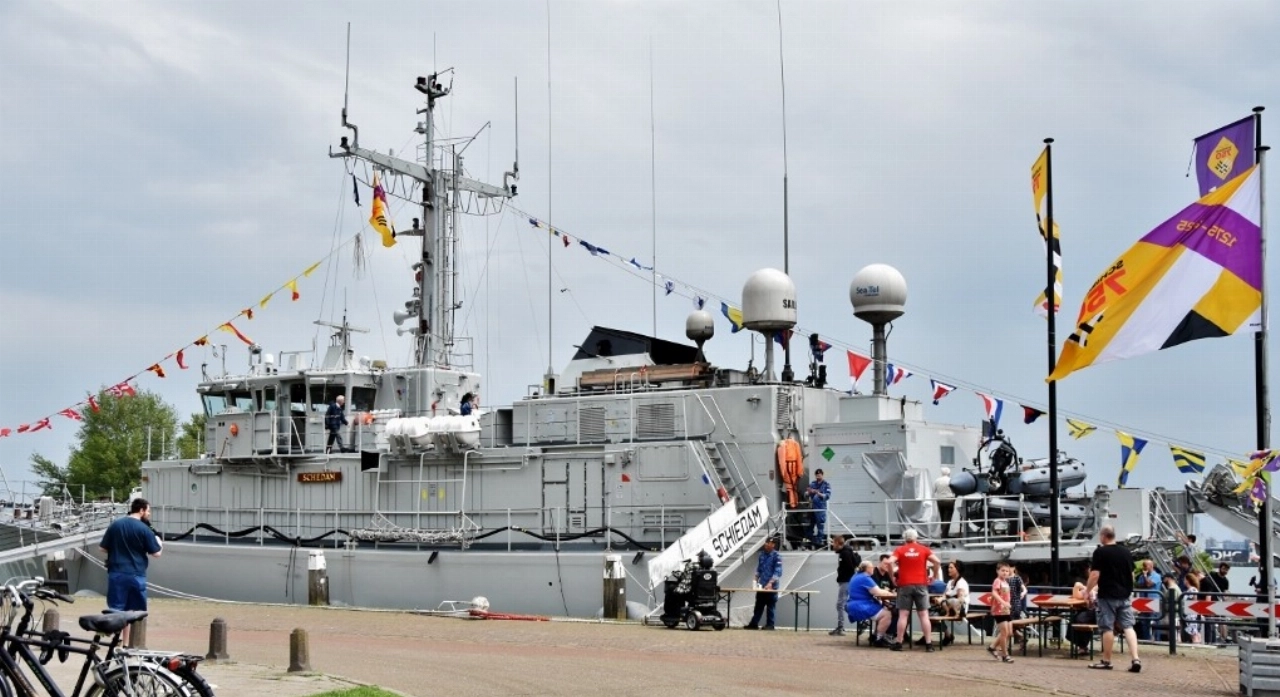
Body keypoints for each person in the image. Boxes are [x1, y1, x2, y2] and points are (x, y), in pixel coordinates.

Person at [99, 498, 162, 645]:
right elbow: (156, 553)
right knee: (135, 612)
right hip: (136, 574)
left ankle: (117, 642)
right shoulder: (144, 529)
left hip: (116, 573)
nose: (149, 514)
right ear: (141, 510)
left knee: (116, 610)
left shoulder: (115, 525)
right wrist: (159, 542)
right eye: (148, 511)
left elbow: (102, 548)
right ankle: (131, 644)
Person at [1086, 524, 1141, 673]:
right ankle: (1135, 658)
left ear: (1104, 536)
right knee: (1128, 626)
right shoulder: (1126, 552)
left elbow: (1095, 575)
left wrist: (1088, 591)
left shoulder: (1100, 552)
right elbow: (1132, 575)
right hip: (1124, 595)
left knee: (1107, 627)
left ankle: (1107, 661)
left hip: (1107, 595)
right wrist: (1128, 589)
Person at [890, 528, 941, 651]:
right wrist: (934, 576)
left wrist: (892, 578)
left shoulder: (900, 550)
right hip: (921, 584)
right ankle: (929, 644)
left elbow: (889, 562)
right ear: (916, 538)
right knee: (924, 615)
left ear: (905, 538)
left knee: (903, 615)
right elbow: (937, 561)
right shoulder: (924, 549)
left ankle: (899, 643)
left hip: (904, 585)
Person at [845, 560, 895, 646]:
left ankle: (875, 635)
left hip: (852, 605)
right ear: (867, 569)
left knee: (883, 608)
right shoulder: (865, 578)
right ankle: (879, 639)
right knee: (887, 614)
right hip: (861, 606)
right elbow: (878, 592)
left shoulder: (856, 576)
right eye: (872, 567)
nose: (873, 568)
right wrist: (891, 594)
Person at [745, 537, 782, 630]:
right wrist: (755, 580)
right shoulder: (762, 555)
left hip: (772, 587)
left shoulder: (777, 556)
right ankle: (754, 624)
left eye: (769, 543)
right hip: (761, 585)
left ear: (773, 545)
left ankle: (770, 625)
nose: (766, 544)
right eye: (766, 542)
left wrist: (770, 583)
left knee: (770, 606)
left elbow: (778, 571)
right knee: (758, 605)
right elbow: (759, 569)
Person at [830, 535, 861, 636]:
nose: (832, 545)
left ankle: (841, 627)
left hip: (846, 581)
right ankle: (858, 620)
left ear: (837, 543)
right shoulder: (845, 552)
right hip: (846, 581)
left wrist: (843, 574)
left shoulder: (845, 553)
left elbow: (850, 567)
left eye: (833, 543)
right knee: (843, 604)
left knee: (840, 604)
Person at [936, 559, 969, 646]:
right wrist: (940, 599)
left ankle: (947, 635)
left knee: (933, 613)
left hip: (958, 609)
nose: (948, 569)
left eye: (951, 568)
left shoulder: (961, 583)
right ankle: (947, 635)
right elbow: (944, 595)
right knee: (931, 612)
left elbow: (960, 598)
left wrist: (944, 600)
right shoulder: (950, 582)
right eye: (948, 567)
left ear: (957, 569)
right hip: (948, 606)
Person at [988, 562, 1015, 663]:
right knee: (1004, 632)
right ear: (997, 571)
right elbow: (994, 593)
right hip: (999, 610)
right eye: (1002, 570)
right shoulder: (997, 581)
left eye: (1007, 571)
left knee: (1009, 632)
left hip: (1006, 610)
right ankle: (1005, 654)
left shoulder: (1005, 582)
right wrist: (1002, 603)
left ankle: (992, 647)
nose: (1005, 573)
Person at [1133, 559, 1162, 641]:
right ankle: (1146, 638)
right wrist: (1144, 581)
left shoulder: (1156, 576)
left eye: (1145, 566)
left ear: (1151, 566)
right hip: (1143, 600)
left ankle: (1157, 639)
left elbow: (1149, 585)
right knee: (1144, 621)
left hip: (1153, 600)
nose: (1144, 568)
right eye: (1143, 566)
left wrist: (1145, 577)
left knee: (1154, 621)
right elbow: (1138, 586)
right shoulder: (1141, 576)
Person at [1204, 562, 1231, 643]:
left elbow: (1225, 592)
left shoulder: (1226, 581)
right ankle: (1211, 638)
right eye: (1224, 569)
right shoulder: (1212, 575)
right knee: (1210, 619)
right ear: (1220, 568)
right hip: (1210, 599)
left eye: (1227, 570)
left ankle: (1224, 638)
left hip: (1219, 600)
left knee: (1222, 620)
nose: (1225, 571)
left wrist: (1225, 597)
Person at [805, 470, 831, 548]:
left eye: (819, 474)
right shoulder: (812, 484)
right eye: (817, 474)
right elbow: (806, 494)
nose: (818, 476)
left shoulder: (826, 484)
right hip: (812, 508)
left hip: (820, 508)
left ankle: (819, 542)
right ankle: (810, 541)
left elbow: (827, 496)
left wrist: (818, 493)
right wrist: (809, 492)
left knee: (820, 526)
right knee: (810, 525)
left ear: (822, 475)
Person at [934, 467, 954, 539]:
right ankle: (944, 536)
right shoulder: (951, 480)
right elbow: (955, 490)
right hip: (949, 500)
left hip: (939, 500)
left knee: (941, 518)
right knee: (947, 518)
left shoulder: (937, 480)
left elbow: (933, 491)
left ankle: (940, 534)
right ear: (949, 473)